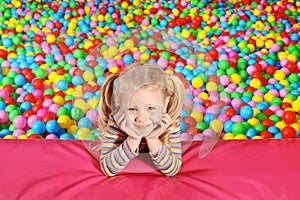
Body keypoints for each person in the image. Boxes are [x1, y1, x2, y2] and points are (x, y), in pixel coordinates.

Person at [98, 62, 185, 176]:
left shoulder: (169, 122)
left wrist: (153, 138)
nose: (142, 118)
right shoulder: (119, 121)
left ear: (165, 104)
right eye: (132, 109)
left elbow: (172, 171)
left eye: (151, 108)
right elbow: (107, 169)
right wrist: (133, 139)